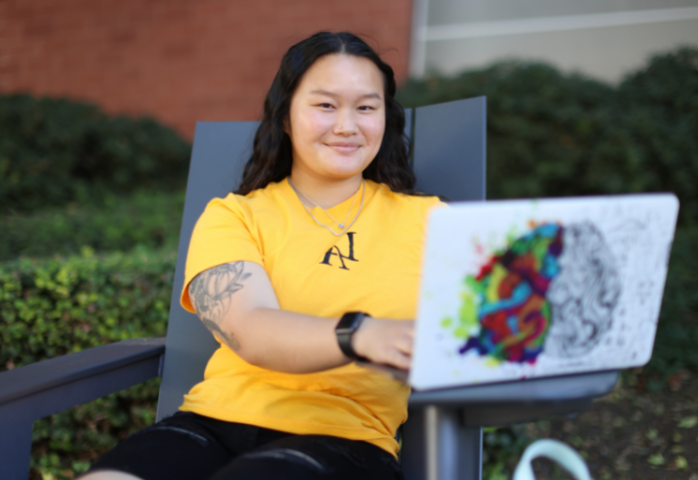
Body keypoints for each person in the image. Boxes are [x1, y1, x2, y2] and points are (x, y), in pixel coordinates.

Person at [82, 31, 442, 480]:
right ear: (287, 117)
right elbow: (250, 327)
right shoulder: (235, 216)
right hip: (210, 424)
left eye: (366, 107)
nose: (348, 125)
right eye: (326, 106)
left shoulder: (434, 224)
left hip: (345, 440)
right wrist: (360, 334)